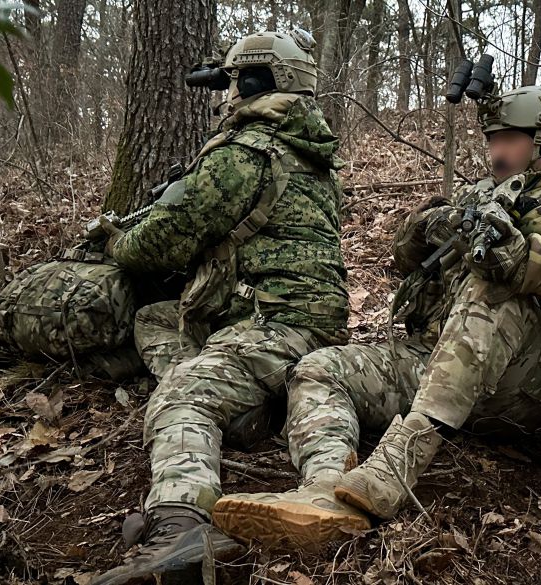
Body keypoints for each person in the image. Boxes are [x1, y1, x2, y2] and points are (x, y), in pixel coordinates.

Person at [211, 82, 541, 548]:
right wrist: (424, 228)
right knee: (320, 369)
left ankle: (397, 464)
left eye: (508, 139)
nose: (495, 151)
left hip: (520, 381)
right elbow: (406, 260)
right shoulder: (483, 194)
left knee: (494, 280)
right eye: (491, 139)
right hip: (437, 359)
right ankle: (323, 492)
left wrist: (523, 258)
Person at [93, 29, 355, 584]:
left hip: (274, 326)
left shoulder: (243, 153)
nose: (224, 95)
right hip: (312, 331)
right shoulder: (314, 160)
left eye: (234, 81)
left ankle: (181, 523)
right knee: (157, 319)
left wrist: (113, 240)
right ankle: (246, 410)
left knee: (182, 392)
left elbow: (155, 244)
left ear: (258, 82)